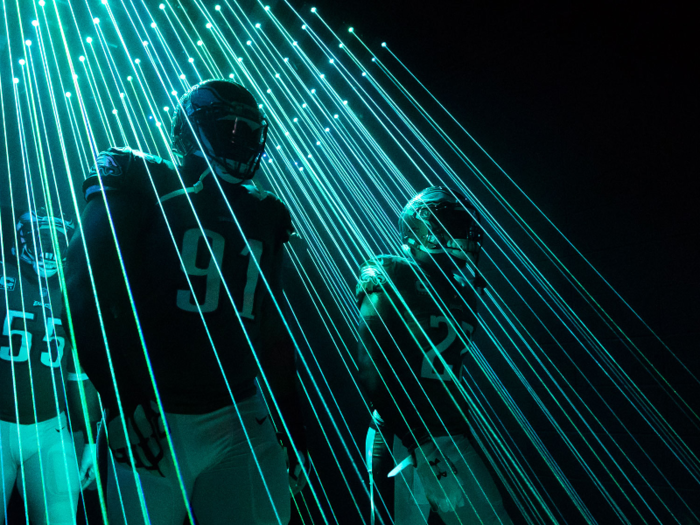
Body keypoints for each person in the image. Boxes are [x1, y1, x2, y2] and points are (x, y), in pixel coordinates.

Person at [63, 79, 307, 525]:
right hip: (154, 412)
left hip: (238, 411)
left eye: (247, 129)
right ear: (190, 130)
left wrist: (294, 420)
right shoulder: (141, 178)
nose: (239, 138)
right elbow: (84, 287)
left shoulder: (267, 212)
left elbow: (270, 325)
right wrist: (122, 398)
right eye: (226, 127)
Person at [355, 186, 513, 525]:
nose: (464, 236)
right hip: (403, 432)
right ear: (422, 230)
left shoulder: (463, 290)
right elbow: (373, 370)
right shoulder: (394, 273)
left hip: (448, 431)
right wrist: (419, 442)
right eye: (453, 226)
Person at [0, 208, 99, 525]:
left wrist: (91, 443)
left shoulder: (77, 292)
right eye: (41, 239)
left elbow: (79, 376)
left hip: (50, 431)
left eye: (56, 241)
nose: (47, 250)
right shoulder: (5, 278)